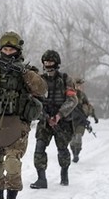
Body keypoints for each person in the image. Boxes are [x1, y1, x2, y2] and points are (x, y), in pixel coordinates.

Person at [0, 31, 47, 199]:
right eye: (4, 49)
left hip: (16, 123)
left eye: (11, 50)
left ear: (18, 51)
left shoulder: (27, 72)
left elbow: (42, 89)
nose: (7, 53)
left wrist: (25, 73)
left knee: (12, 163)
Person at [30, 50, 78, 189]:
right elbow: (34, 99)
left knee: (62, 149)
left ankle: (64, 174)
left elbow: (72, 99)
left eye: (50, 62)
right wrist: (44, 116)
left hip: (62, 121)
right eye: (45, 62)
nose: (47, 64)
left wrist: (59, 115)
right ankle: (41, 179)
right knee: (39, 148)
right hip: (45, 120)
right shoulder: (39, 79)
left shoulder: (65, 79)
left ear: (56, 63)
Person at [69, 78, 98, 163]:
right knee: (72, 140)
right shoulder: (69, 94)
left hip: (81, 121)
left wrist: (94, 116)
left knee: (78, 137)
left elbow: (88, 106)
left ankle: (76, 154)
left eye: (80, 85)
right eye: (77, 85)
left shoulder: (83, 95)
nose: (79, 87)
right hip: (70, 120)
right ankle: (73, 152)